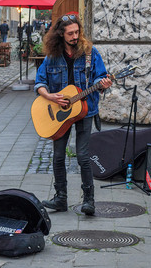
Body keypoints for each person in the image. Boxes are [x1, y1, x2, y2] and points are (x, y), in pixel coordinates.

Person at [34, 14, 112, 215]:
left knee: (83, 156)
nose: (75, 36)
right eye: (70, 33)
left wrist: (103, 84)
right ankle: (60, 198)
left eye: (77, 32)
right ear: (61, 34)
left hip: (85, 110)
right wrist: (50, 96)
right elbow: (39, 82)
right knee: (58, 156)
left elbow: (100, 77)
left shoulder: (90, 53)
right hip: (60, 114)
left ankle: (89, 201)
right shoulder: (52, 56)